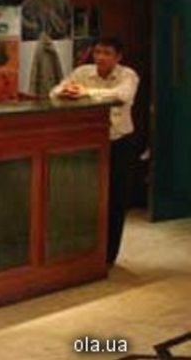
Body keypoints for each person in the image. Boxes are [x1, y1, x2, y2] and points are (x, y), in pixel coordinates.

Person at [49, 36, 139, 265]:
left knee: (116, 199)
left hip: (119, 142)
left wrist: (87, 93)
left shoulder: (128, 75)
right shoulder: (83, 72)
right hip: (88, 143)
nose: (100, 57)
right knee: (87, 198)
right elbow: (54, 92)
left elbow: (122, 95)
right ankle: (87, 253)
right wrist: (67, 91)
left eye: (107, 53)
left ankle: (109, 256)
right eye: (97, 52)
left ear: (118, 57)